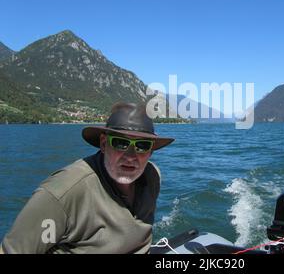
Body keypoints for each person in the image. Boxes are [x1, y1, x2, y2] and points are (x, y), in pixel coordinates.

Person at [0, 102, 174, 253]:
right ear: (104, 144)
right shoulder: (62, 193)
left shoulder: (152, 177)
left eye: (142, 146)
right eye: (121, 143)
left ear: (151, 152)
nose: (130, 156)